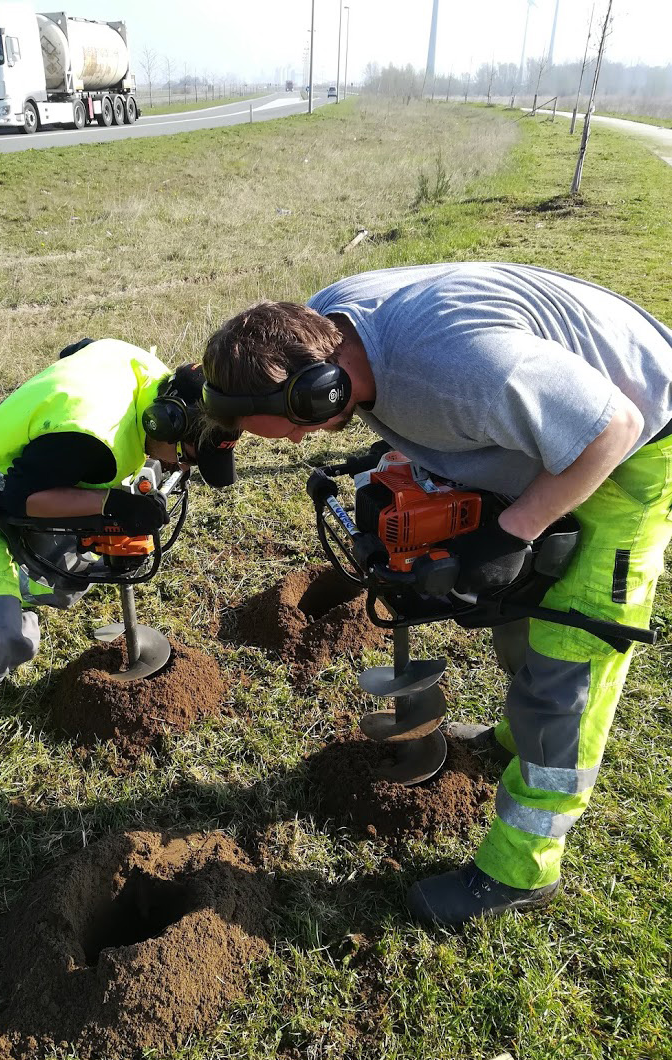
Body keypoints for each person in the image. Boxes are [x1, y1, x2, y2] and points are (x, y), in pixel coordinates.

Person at [200, 262, 672, 928]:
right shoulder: (320, 326)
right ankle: (514, 738)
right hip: (553, 421)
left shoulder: (453, 372)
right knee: (517, 605)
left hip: (631, 444)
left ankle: (520, 869)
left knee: (570, 653)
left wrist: (514, 531)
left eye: (298, 431)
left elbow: (611, 427)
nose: (302, 442)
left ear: (320, 390)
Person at [0, 338, 239, 775]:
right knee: (4, 636)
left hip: (41, 482)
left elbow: (80, 349)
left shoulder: (146, 372)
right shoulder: (91, 441)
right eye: (185, 457)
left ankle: (10, 590)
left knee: (74, 568)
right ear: (165, 423)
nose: (182, 468)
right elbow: (19, 500)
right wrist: (111, 503)